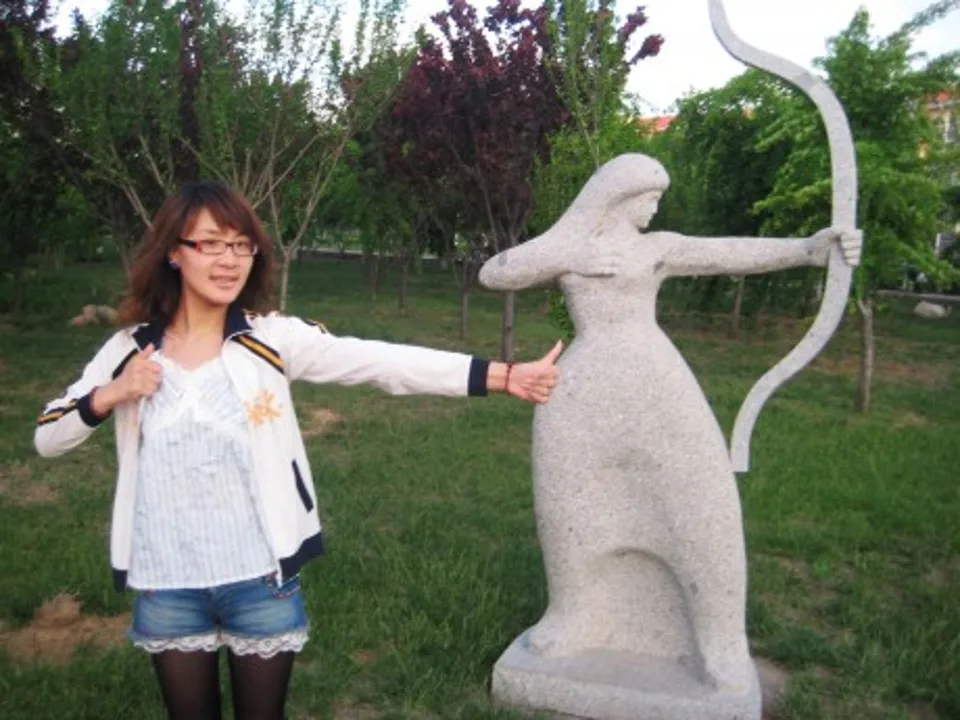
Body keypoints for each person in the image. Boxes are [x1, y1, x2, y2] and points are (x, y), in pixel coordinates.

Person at [34, 180, 562, 720]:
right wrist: (110, 394)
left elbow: (381, 361)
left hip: (260, 578)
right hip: (167, 583)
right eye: (211, 243)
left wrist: (503, 375)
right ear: (175, 252)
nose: (229, 260)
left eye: (242, 245)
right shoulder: (128, 350)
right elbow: (47, 438)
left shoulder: (272, 339)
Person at [479, 153, 860, 696]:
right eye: (649, 198)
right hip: (583, 390)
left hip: (654, 383)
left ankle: (718, 638)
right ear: (618, 197)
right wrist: (573, 249)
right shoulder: (573, 246)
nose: (655, 209)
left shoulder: (657, 248)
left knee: (700, 499)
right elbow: (496, 272)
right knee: (570, 504)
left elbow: (725, 253)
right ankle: (572, 614)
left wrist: (806, 250)